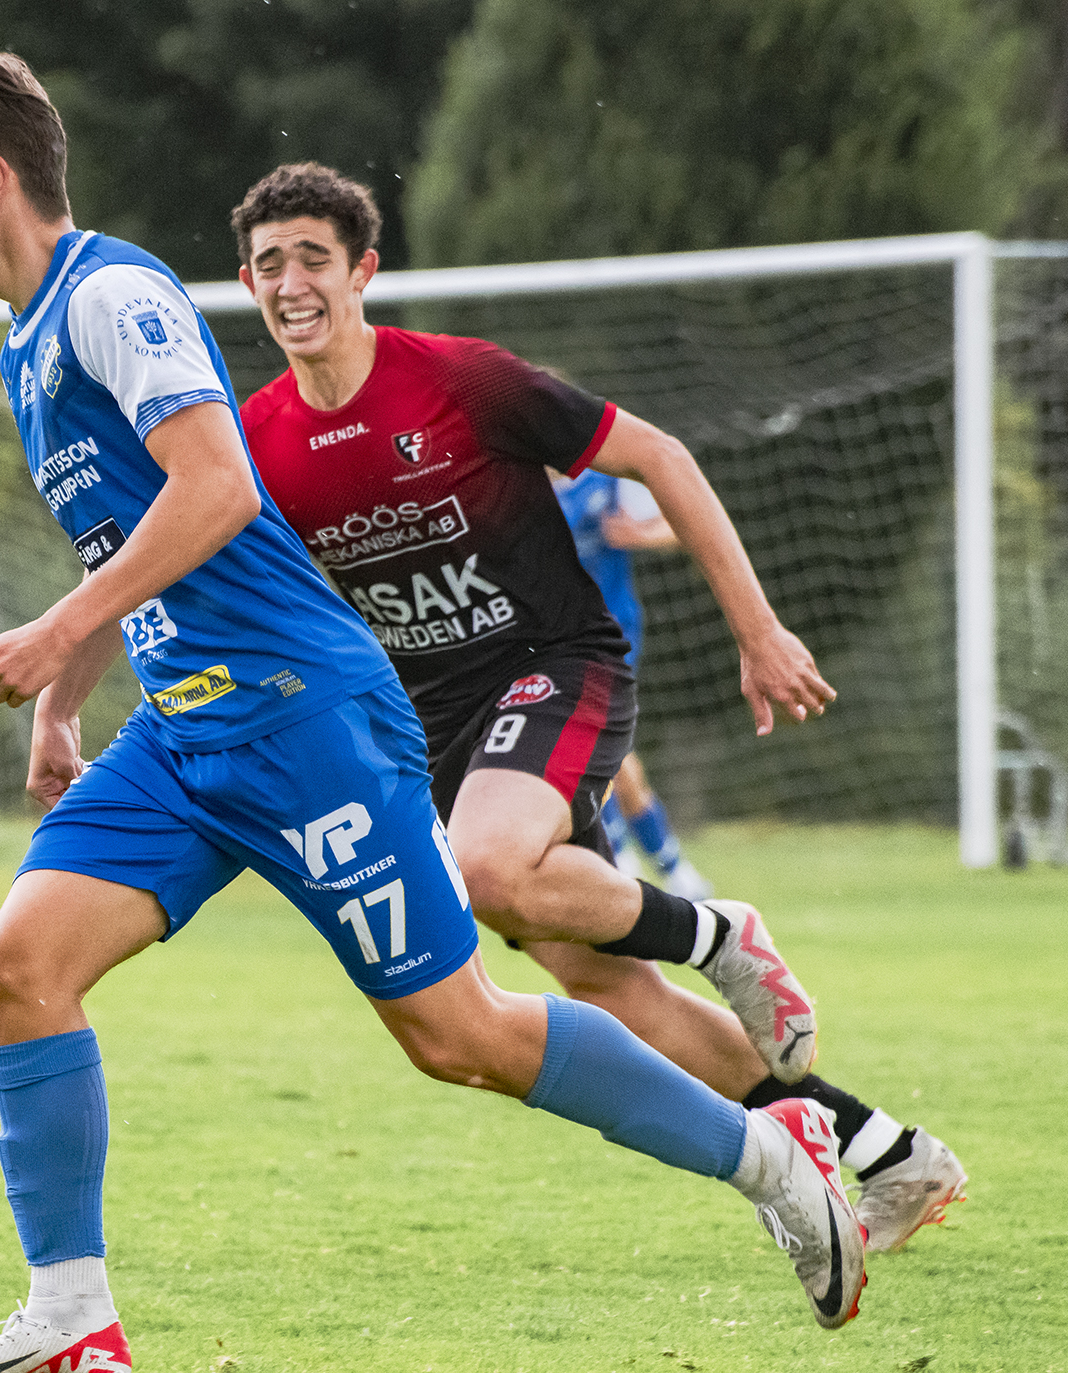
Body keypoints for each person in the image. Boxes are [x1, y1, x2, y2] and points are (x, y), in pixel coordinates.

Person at [0, 52, 867, 1373]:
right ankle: (70, 1324)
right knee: (17, 968)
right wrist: (62, 699)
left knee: (459, 1034)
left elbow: (214, 491)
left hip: (306, 723)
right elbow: (139, 538)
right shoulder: (27, 334)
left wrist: (53, 634)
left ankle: (773, 1160)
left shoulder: (112, 296)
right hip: (183, 736)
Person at [231, 162, 965, 1256]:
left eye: (312, 259)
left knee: (487, 869)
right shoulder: (256, 439)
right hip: (438, 726)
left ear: (362, 271)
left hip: (554, 665)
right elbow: (187, 567)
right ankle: (890, 1154)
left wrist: (757, 630)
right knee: (608, 987)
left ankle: (717, 930)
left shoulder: (461, 380)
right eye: (267, 265)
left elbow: (659, 454)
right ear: (248, 283)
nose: (291, 283)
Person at [549, 464, 713, 899]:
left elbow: (678, 528)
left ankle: (628, 860)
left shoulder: (606, 479)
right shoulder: (521, 486)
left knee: (600, 745)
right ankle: (669, 869)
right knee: (608, 750)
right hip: (555, 640)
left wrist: (638, 534)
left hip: (613, 633)